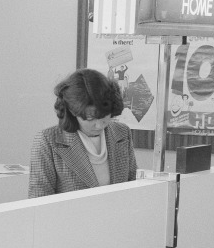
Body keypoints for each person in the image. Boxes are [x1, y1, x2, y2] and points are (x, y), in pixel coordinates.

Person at [29, 69, 136, 197]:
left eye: (104, 117)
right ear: (73, 112)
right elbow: (38, 200)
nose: (99, 125)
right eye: (90, 119)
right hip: (69, 216)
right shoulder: (47, 141)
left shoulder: (122, 133)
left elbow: (131, 188)